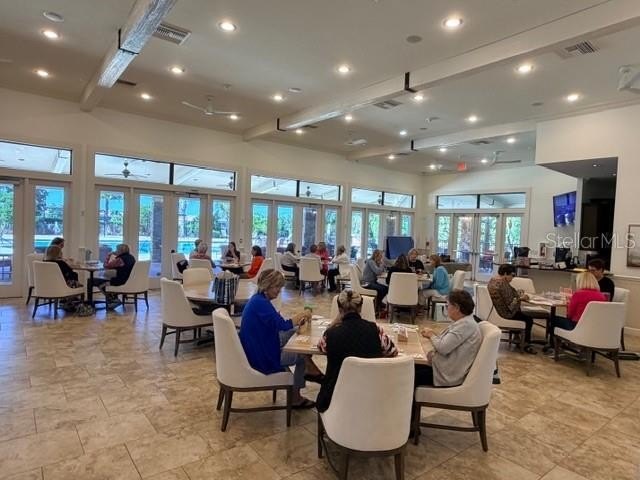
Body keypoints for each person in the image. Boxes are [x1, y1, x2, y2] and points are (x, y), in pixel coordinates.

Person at [239, 269, 323, 408]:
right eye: (277, 287)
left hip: (260, 344)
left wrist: (297, 321)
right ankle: (296, 396)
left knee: (296, 332)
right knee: (303, 353)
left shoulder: (257, 300)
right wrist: (302, 314)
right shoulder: (261, 304)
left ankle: (309, 367)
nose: (279, 290)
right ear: (267, 285)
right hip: (264, 356)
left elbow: (277, 324)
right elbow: (283, 325)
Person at [316, 289, 398, 412]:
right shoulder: (374, 330)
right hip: (370, 392)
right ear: (360, 308)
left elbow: (321, 347)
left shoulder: (331, 334)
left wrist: (333, 323)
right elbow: (392, 351)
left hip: (336, 394)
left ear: (339, 309)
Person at [414, 290, 482, 386]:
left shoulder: (466, 325)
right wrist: (433, 335)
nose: (447, 309)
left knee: (407, 373)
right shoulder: (465, 322)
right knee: (409, 366)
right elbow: (447, 342)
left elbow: (443, 348)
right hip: (441, 370)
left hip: (444, 375)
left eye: (447, 306)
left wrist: (431, 335)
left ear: (457, 308)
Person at [546, 272, 607, 352]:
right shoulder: (602, 296)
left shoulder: (578, 294)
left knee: (552, 319)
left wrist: (569, 304)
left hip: (576, 326)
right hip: (593, 328)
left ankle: (554, 345)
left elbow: (569, 315)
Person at [487, 264, 536, 353]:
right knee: (528, 319)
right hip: (505, 313)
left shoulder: (493, 280)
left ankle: (517, 337)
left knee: (520, 313)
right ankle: (526, 344)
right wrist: (521, 298)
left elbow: (507, 297)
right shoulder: (503, 284)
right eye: (512, 275)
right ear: (506, 273)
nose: (513, 278)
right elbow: (511, 304)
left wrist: (516, 295)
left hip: (496, 311)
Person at [92, 244, 136, 309]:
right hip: (128, 280)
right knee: (105, 279)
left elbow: (106, 266)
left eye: (117, 249)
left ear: (120, 251)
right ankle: (113, 299)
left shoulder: (120, 259)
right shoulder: (132, 257)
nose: (115, 251)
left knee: (100, 284)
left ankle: (114, 300)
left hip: (120, 281)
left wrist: (109, 255)